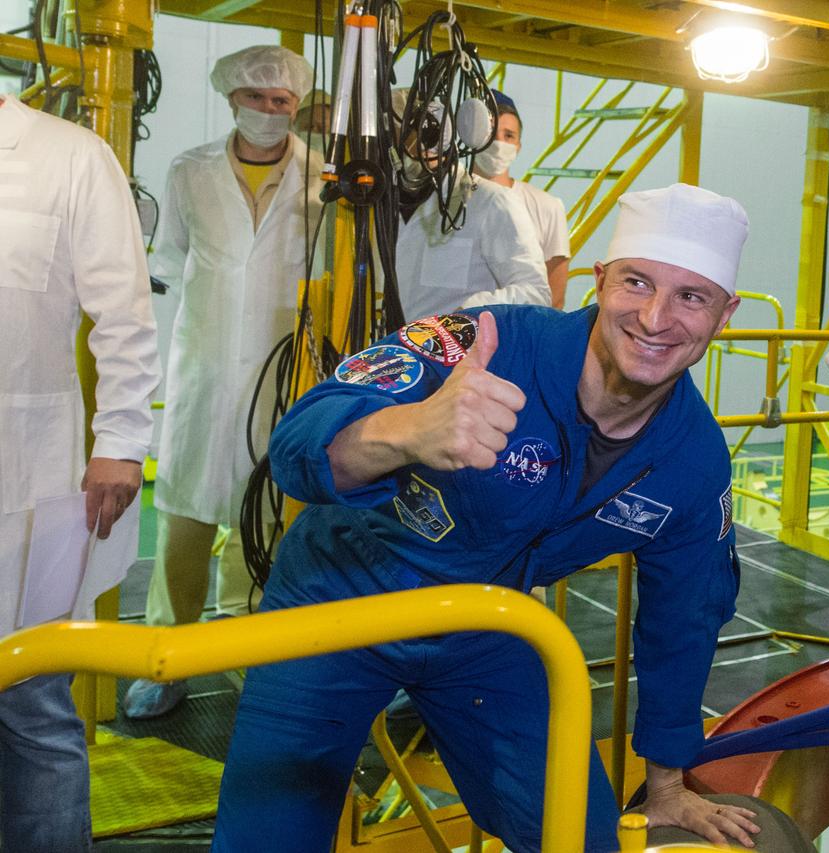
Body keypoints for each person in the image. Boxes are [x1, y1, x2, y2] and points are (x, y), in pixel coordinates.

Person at [213, 183, 760, 852]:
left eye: (691, 297)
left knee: (582, 838)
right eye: (637, 282)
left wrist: (669, 783)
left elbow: (686, 617)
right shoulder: (484, 343)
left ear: (725, 314)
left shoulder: (694, 463)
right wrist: (409, 429)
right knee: (267, 837)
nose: (654, 317)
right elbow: (298, 445)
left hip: (483, 624)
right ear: (599, 281)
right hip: (338, 599)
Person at [124, 45, 322, 720]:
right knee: (181, 517)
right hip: (203, 369)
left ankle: (246, 658)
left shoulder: (320, 179)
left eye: (282, 101)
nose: (269, 112)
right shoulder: (190, 171)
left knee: (258, 523)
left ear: (297, 107)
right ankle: (166, 658)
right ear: (232, 98)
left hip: (280, 374)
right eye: (257, 98)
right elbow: (172, 261)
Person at [0, 94, 160, 850]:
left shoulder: (70, 156)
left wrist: (123, 438)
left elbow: (125, 312)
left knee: (33, 709)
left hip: (24, 486)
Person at [394, 88, 551, 319]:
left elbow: (536, 294)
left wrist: (471, 311)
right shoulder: (383, 205)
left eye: (406, 135)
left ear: (439, 134)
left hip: (460, 351)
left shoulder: (490, 201)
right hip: (394, 349)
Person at [473, 90, 571, 310]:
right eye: (490, 134)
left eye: (509, 136)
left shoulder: (547, 207)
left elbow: (554, 298)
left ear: (519, 145)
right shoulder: (449, 206)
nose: (499, 143)